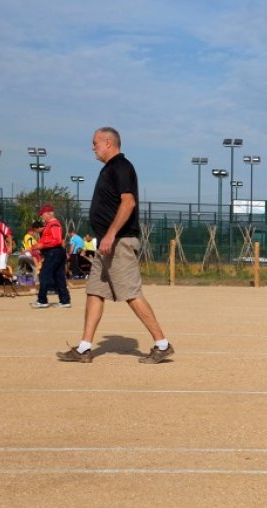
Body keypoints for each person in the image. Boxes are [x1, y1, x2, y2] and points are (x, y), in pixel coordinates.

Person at [57, 126, 173, 363]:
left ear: (108, 142)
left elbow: (128, 203)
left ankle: (162, 344)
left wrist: (110, 235)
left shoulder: (121, 167)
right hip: (107, 245)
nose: (93, 147)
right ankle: (84, 348)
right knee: (94, 292)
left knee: (131, 293)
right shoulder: (109, 169)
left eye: (95, 142)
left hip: (118, 242)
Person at [32, 204, 71, 309]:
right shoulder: (50, 224)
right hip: (55, 252)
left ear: (49, 214)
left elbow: (57, 240)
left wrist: (42, 245)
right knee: (59, 276)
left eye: (42, 214)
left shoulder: (53, 224)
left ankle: (42, 300)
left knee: (44, 275)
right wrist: (38, 245)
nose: (41, 217)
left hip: (54, 252)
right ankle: (65, 301)